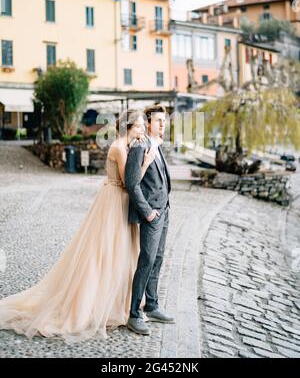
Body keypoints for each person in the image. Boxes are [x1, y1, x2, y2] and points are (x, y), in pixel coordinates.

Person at [0, 110, 155, 343]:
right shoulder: (119, 148)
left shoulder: (127, 146)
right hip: (115, 201)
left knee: (120, 253)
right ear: (129, 127)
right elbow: (129, 182)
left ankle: (116, 302)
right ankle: (95, 305)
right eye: (140, 126)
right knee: (105, 253)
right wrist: (146, 162)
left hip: (118, 200)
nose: (143, 129)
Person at [125, 104, 175, 335]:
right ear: (147, 123)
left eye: (164, 120)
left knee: (158, 259)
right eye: (158, 120)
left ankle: (152, 306)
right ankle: (134, 315)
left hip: (164, 211)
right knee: (146, 260)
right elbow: (132, 184)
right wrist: (147, 212)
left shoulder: (156, 145)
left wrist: (163, 207)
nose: (162, 124)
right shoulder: (139, 147)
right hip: (152, 214)